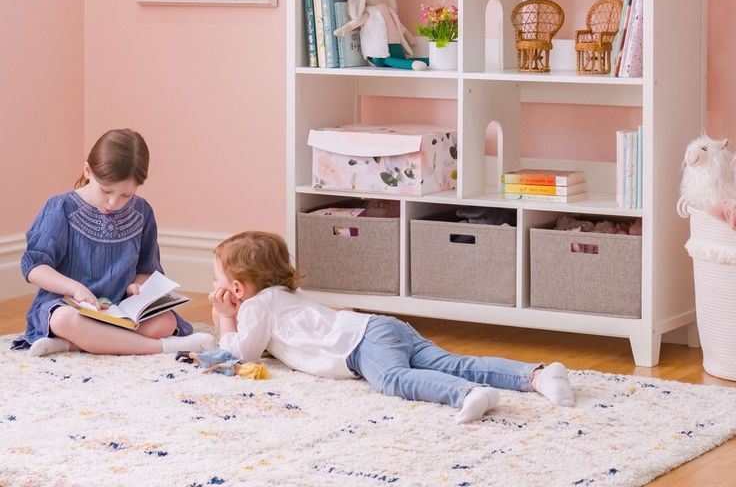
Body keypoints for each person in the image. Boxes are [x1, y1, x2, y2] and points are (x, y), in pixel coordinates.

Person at [209, 230, 575, 424]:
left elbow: (241, 353)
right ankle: (538, 375)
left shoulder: (256, 307)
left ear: (237, 288)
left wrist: (225, 316)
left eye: (218, 281)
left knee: (394, 379)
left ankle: (465, 394)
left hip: (359, 346)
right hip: (380, 325)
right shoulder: (287, 294)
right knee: (451, 361)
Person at [11, 128, 215, 357]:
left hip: (120, 308)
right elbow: (35, 267)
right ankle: (164, 348)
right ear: (88, 170)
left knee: (164, 324)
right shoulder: (61, 208)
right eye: (106, 190)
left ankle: (72, 344)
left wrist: (136, 287)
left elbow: (146, 268)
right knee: (64, 320)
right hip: (69, 305)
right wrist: (75, 289)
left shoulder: (142, 212)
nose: (113, 202)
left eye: (126, 195)